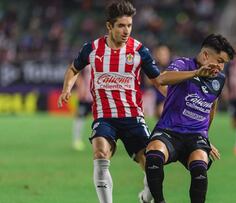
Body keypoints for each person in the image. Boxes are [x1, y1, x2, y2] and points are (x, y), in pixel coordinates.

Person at [57, 1, 220, 203]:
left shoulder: (139, 51)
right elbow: (74, 69)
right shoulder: (91, 49)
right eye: (121, 26)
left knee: (151, 161)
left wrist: (184, 109)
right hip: (105, 117)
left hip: (133, 117)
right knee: (100, 153)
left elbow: (159, 81)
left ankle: (145, 198)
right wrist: (67, 89)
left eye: (129, 26)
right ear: (109, 26)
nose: (126, 31)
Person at [144, 34, 236, 203]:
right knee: (154, 154)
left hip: (195, 135)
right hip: (169, 130)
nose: (221, 67)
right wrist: (195, 73)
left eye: (224, 63)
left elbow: (212, 106)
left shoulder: (219, 79)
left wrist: (206, 136)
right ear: (206, 55)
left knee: (200, 164)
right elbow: (162, 79)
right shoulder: (182, 64)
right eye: (220, 61)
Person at [72, 65, 92, 151]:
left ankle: (108, 140)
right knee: (80, 117)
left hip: (99, 96)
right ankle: (77, 140)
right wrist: (80, 88)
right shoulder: (86, 59)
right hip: (85, 95)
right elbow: (76, 73)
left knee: (105, 119)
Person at [152, 44, 171, 118]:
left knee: (161, 110)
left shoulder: (174, 66)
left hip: (169, 97)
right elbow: (147, 81)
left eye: (164, 54)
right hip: (155, 97)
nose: (162, 56)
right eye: (160, 54)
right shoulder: (153, 66)